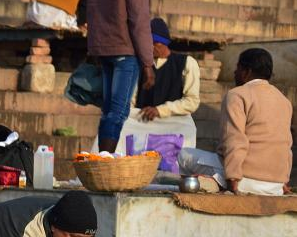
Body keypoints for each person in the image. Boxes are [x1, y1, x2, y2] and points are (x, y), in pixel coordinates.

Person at [182, 49, 292, 195]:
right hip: (276, 185)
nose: (235, 73)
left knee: (183, 155)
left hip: (244, 180)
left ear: (246, 72)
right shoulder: (284, 101)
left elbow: (234, 140)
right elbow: (286, 144)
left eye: (237, 68)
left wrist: (232, 180)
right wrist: (283, 181)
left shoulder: (237, 95)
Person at [86, 0, 154, 154]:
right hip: (125, 50)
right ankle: (105, 158)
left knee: (110, 111)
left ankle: (104, 156)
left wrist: (94, 48)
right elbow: (140, 20)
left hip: (103, 48)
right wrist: (148, 63)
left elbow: (91, 10)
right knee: (117, 111)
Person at [107, 16, 201, 158]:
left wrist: (160, 110)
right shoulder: (139, 66)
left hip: (174, 125)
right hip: (143, 124)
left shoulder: (187, 63)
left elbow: (192, 101)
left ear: (157, 44)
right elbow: (131, 101)